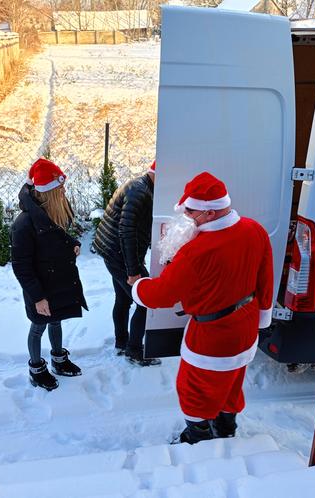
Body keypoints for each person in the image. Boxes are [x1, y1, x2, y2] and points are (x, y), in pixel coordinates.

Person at [131, 171, 273, 444]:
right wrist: (262, 317)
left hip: (211, 337)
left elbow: (161, 295)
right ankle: (226, 427)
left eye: (191, 212)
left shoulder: (196, 252)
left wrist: (139, 287)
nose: (186, 217)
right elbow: (265, 279)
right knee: (231, 381)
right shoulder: (255, 229)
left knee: (194, 387)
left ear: (209, 214)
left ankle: (198, 435)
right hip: (245, 327)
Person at [11, 158, 87, 391]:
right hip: (40, 288)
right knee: (38, 326)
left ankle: (59, 359)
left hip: (58, 282)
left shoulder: (51, 211)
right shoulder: (24, 224)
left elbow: (59, 238)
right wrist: (37, 297)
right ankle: (37, 369)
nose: (64, 191)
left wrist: (72, 243)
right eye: (60, 188)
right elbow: (21, 265)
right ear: (48, 191)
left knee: (56, 320)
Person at [92, 161, 161, 367]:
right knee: (146, 301)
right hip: (119, 255)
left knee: (123, 300)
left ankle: (122, 342)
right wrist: (133, 271)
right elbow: (126, 231)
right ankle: (134, 350)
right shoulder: (140, 193)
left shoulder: (141, 185)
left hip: (113, 251)